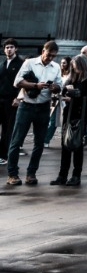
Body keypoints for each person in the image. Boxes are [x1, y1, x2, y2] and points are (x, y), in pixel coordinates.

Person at [7, 40, 63, 186]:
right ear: (43, 51)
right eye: (49, 55)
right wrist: (35, 85)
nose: (50, 58)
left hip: (44, 107)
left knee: (39, 142)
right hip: (26, 105)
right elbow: (17, 81)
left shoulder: (56, 67)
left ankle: (31, 173)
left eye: (53, 56)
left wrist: (54, 87)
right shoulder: (30, 63)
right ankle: (12, 174)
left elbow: (59, 86)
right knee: (17, 140)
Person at [51, 54, 87, 187]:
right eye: (73, 67)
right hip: (68, 113)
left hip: (80, 114)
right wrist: (65, 93)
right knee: (65, 144)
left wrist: (75, 94)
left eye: (76, 67)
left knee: (77, 145)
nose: (75, 69)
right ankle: (62, 175)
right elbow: (64, 91)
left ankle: (76, 175)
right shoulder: (72, 78)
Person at [0, 38, 23, 161]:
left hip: (12, 101)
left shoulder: (20, 64)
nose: (9, 49)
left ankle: (3, 155)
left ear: (16, 49)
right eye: (7, 47)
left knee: (7, 129)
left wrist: (18, 98)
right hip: (1, 99)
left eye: (11, 47)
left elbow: (23, 82)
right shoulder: (3, 64)